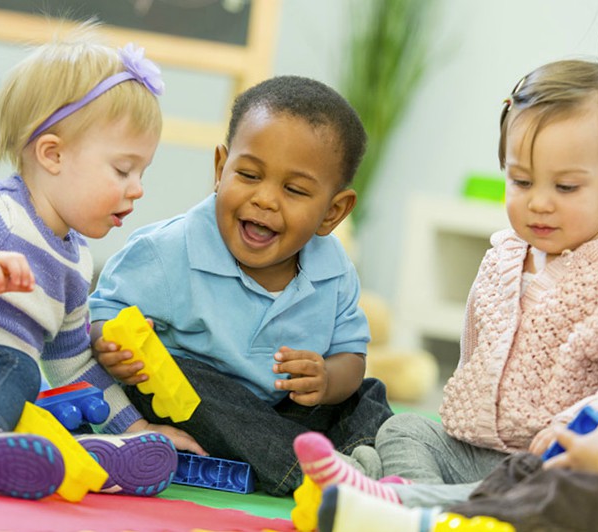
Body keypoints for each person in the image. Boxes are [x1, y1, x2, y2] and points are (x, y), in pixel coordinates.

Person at [293, 59, 598, 508]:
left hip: (555, 460)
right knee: (404, 428)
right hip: (479, 452)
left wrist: (578, 427)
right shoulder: (503, 258)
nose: (539, 203)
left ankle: (390, 498)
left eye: (566, 187)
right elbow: (473, 352)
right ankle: (409, 498)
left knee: (544, 492)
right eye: (521, 181)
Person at [0, 27, 204, 500]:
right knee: (17, 368)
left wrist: (137, 424)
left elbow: (75, 363)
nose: (137, 188)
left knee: (40, 401)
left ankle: (84, 455)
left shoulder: (77, 261)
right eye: (123, 170)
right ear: (53, 154)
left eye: (143, 172)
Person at [88, 75, 394, 497]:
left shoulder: (334, 270)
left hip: (282, 411)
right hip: (196, 406)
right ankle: (309, 474)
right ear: (220, 169)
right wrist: (112, 345)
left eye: (294, 189)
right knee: (187, 377)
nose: (265, 199)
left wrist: (325, 379)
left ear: (333, 212)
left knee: (366, 394)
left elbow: (351, 356)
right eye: (249, 175)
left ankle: (374, 461)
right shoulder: (168, 251)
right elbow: (104, 313)